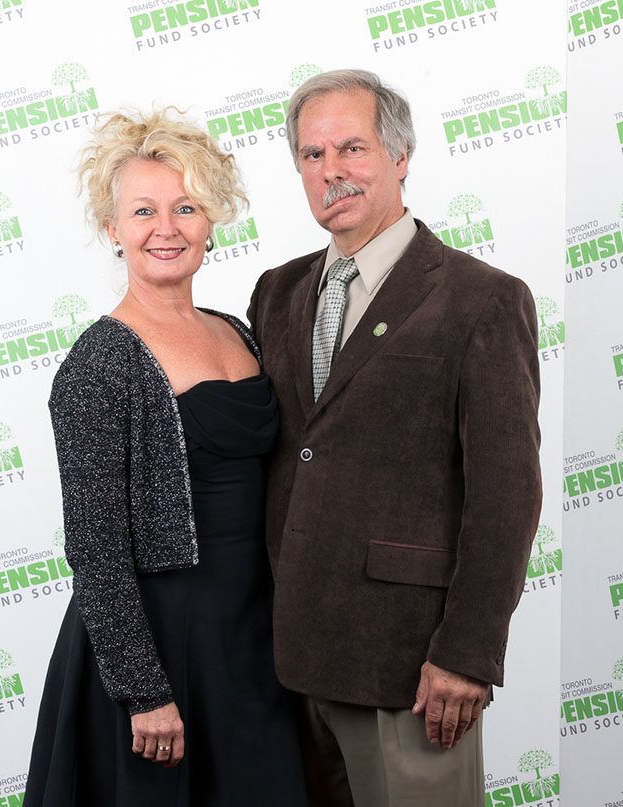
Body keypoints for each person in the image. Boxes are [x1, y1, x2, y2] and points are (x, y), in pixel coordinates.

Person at [247, 69, 542, 806]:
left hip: (409, 668)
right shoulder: (277, 292)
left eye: (352, 147)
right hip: (288, 663)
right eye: (312, 156)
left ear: (401, 156)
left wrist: (467, 654)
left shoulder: (482, 300)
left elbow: (507, 493)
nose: (331, 171)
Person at [25, 107, 307, 807]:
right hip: (157, 644)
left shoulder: (238, 330)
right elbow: (95, 547)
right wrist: (143, 691)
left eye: (186, 207)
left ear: (212, 218)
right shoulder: (100, 362)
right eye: (144, 210)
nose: (166, 228)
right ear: (113, 228)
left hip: (251, 635)